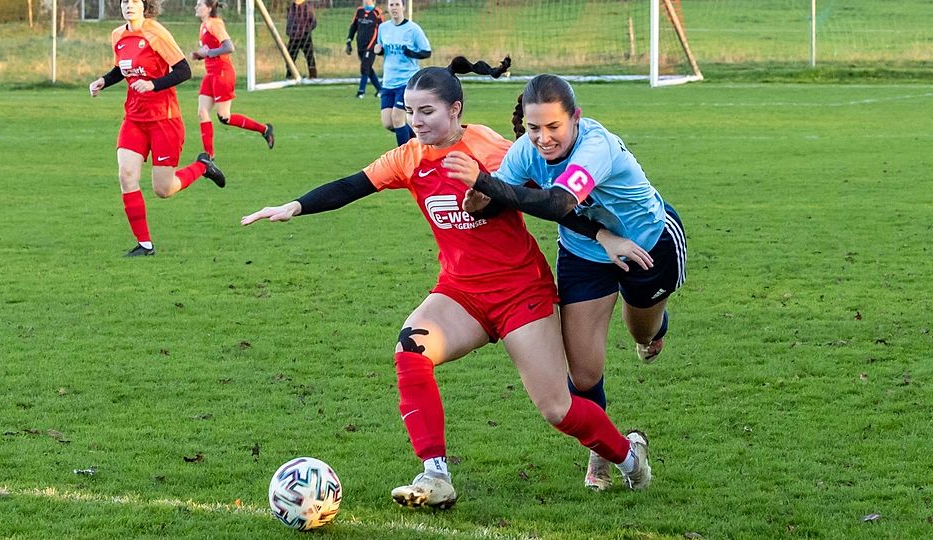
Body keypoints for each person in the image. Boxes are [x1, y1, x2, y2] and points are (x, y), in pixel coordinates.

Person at [241, 58, 653, 509]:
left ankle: (629, 457)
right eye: (409, 111)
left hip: (522, 293)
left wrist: (602, 233)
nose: (415, 121)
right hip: (461, 293)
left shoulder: (491, 150)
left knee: (557, 408)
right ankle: (435, 473)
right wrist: (294, 207)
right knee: (410, 349)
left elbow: (554, 202)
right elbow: (352, 186)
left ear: (455, 109)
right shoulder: (409, 157)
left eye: (427, 111)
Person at [444, 74, 687, 491]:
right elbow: (500, 200)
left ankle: (655, 329)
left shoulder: (596, 146)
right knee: (585, 374)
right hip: (584, 253)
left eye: (554, 127)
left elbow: (558, 202)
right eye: (535, 127)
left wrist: (484, 183)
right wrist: (480, 202)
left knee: (641, 332)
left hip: (649, 242)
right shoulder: (525, 151)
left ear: (575, 118)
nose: (543, 138)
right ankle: (604, 451)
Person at [89, 0, 226, 257]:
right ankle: (145, 245)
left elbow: (184, 71)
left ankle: (202, 166)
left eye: (134, 1)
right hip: (134, 119)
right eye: (124, 1)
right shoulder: (118, 35)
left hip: (165, 120)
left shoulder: (157, 33)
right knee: (126, 175)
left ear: (145, 6)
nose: (129, 5)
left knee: (164, 189)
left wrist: (153, 85)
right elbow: (122, 69)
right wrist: (103, 81)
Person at [191, 0, 275, 158]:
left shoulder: (214, 24)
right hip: (211, 74)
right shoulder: (203, 25)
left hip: (222, 73)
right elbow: (211, 50)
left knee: (224, 117)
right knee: (202, 112)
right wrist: (199, 55)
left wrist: (207, 53)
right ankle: (209, 156)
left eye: (200, 4)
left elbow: (229, 47)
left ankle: (264, 129)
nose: (196, 7)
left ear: (209, 8)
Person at [373, 0, 430, 146]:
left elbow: (426, 52)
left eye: (397, 4)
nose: (394, 8)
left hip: (407, 81)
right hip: (388, 81)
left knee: (398, 118)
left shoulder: (413, 29)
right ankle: (417, 142)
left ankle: (405, 158)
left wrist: (411, 53)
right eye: (391, 5)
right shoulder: (383, 28)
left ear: (403, 7)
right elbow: (382, 49)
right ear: (388, 7)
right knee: (388, 122)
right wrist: (379, 51)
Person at [345, 0, 383, 99]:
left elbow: (381, 30)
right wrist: (349, 40)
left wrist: (375, 45)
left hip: (371, 46)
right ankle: (380, 89)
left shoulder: (377, 12)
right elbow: (353, 26)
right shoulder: (359, 11)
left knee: (365, 67)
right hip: (360, 45)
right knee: (368, 68)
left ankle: (361, 92)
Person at [285, 0, 317, 79]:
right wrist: (289, 31)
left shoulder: (307, 7)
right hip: (294, 37)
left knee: (309, 57)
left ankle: (313, 76)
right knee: (289, 57)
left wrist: (306, 30)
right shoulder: (292, 7)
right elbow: (289, 21)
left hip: (305, 36)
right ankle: (290, 74)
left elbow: (313, 22)